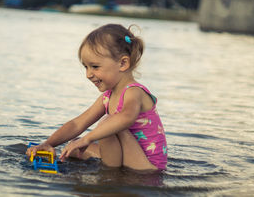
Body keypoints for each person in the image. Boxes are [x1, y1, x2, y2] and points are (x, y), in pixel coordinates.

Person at [26, 24, 168, 170]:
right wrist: (48, 143)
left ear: (123, 63)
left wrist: (88, 138)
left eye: (95, 67)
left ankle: (109, 176)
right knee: (73, 147)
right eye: (86, 67)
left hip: (147, 166)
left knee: (107, 123)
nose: (88, 74)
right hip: (129, 155)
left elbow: (126, 117)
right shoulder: (108, 96)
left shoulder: (134, 91)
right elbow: (77, 124)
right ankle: (108, 167)